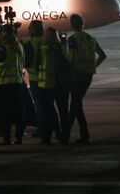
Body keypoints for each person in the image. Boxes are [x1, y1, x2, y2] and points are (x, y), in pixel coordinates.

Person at [67, 13, 106, 144]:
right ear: (83, 24)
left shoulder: (72, 39)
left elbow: (71, 58)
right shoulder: (91, 38)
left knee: (75, 104)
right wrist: (93, 65)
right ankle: (82, 134)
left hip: (76, 74)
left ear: (71, 24)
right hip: (88, 74)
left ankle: (68, 133)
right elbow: (102, 55)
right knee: (76, 104)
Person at [36, 27, 71, 145]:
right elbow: (67, 62)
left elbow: (36, 64)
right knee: (63, 112)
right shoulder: (63, 47)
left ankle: (47, 137)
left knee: (48, 112)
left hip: (47, 85)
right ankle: (64, 136)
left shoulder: (43, 49)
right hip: (62, 85)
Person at [0, 23, 26, 145]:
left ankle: (7, 138)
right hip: (18, 82)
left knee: (5, 112)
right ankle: (19, 137)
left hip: (5, 84)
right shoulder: (20, 47)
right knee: (18, 111)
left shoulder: (3, 47)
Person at [22, 20, 45, 137]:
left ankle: (41, 128)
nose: (28, 29)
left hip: (35, 79)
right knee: (48, 105)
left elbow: (26, 62)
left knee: (39, 105)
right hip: (48, 78)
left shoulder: (30, 44)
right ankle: (54, 127)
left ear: (34, 30)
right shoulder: (46, 41)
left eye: (30, 27)